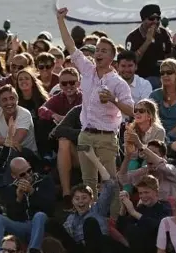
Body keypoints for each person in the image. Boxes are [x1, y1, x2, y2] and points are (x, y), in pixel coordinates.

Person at [57, 6, 134, 218]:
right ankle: (90, 221)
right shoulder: (87, 70)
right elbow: (70, 46)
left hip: (106, 138)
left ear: (112, 58)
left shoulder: (118, 83)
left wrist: (113, 100)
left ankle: (114, 221)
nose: (98, 53)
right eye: (97, 49)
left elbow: (131, 110)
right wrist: (60, 20)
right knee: (88, 183)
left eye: (104, 51)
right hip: (85, 135)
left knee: (110, 182)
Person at [52, 146, 116, 253]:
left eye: (84, 198)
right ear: (73, 201)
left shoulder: (98, 209)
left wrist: (94, 159)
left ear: (91, 200)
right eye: (77, 198)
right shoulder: (71, 218)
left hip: (98, 252)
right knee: (51, 224)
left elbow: (110, 185)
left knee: (90, 223)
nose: (80, 201)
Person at [0, 157, 54, 253]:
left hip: (40, 224)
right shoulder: (10, 189)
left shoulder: (45, 180)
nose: (28, 175)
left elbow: (50, 207)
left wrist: (32, 193)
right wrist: (19, 198)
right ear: (14, 176)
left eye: (29, 171)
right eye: (22, 174)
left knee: (39, 215)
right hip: (21, 226)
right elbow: (13, 216)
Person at [0, 85, 39, 169]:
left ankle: (6, 180)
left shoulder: (24, 114)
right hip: (5, 149)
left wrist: (7, 143)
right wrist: (6, 142)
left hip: (25, 151)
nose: (9, 103)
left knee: (13, 150)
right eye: (4, 100)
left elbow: (16, 141)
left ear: (17, 100)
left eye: (12, 98)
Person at [121, 99, 166, 192]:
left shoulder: (159, 131)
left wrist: (139, 146)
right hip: (135, 159)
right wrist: (128, 145)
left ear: (150, 115)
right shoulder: (130, 130)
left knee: (145, 164)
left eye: (141, 111)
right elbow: (129, 154)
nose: (137, 113)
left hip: (152, 161)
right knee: (132, 164)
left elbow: (156, 154)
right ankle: (126, 197)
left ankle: (146, 192)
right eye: (135, 110)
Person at [124, 4, 173, 88]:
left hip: (162, 76)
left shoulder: (163, 33)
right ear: (143, 20)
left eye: (158, 18)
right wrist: (147, 41)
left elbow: (170, 56)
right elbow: (130, 61)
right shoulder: (133, 37)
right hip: (141, 78)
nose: (155, 21)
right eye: (151, 18)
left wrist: (174, 45)